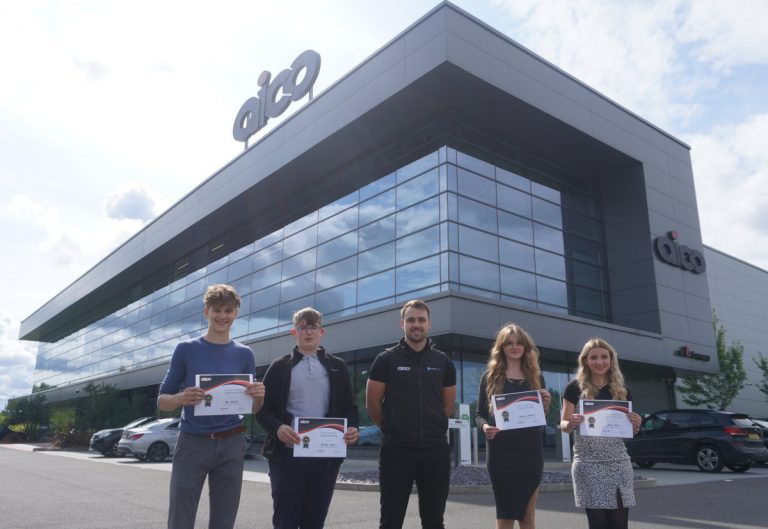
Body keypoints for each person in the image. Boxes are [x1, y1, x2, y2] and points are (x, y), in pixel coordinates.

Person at [157, 283, 265, 529]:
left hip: (232, 443)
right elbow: (162, 401)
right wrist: (180, 398)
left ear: (236, 313)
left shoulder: (245, 354)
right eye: (216, 310)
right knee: (181, 518)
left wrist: (259, 395)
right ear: (206, 312)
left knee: (224, 520)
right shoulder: (186, 349)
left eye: (228, 310)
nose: (222, 316)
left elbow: (254, 409)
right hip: (193, 442)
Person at [257, 307, 359, 529]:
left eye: (313, 326)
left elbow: (350, 408)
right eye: (303, 327)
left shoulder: (337, 366)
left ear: (321, 331)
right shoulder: (279, 367)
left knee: (315, 520)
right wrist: (278, 428)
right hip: (286, 454)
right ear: (295, 332)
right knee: (286, 519)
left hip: (325, 454)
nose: (308, 331)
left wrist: (352, 428)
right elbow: (262, 410)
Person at [365, 299, 457, 529]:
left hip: (435, 451)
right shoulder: (385, 359)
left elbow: (447, 406)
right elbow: (372, 404)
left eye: (421, 320)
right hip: (397, 451)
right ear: (402, 324)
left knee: (434, 520)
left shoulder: (443, 362)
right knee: (391, 520)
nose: (416, 324)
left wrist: (434, 427)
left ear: (429, 324)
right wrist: (391, 428)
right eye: (411, 320)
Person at [560, 338, 643, 529]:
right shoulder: (574, 388)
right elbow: (563, 425)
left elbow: (629, 432)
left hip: (618, 463)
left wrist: (636, 425)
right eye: (594, 357)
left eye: (604, 357)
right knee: (598, 525)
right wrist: (570, 422)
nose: (599, 362)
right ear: (586, 361)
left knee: (619, 524)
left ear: (611, 360)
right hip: (588, 464)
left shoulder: (622, 390)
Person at [476, 323, 552, 529]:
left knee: (528, 516)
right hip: (501, 452)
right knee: (505, 514)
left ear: (526, 347)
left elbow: (538, 417)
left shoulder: (536, 378)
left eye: (519, 343)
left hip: (530, 452)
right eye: (509, 343)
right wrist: (484, 428)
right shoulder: (489, 377)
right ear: (501, 347)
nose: (515, 347)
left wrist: (545, 405)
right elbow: (479, 415)